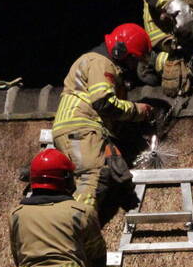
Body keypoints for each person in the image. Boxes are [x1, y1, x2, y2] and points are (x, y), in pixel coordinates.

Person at [51, 23, 154, 222]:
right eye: (133, 59)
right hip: (83, 128)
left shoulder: (94, 61)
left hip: (73, 128)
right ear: (121, 51)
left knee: (79, 182)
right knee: (93, 177)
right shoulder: (101, 63)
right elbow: (103, 102)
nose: (134, 66)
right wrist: (137, 110)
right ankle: (76, 234)